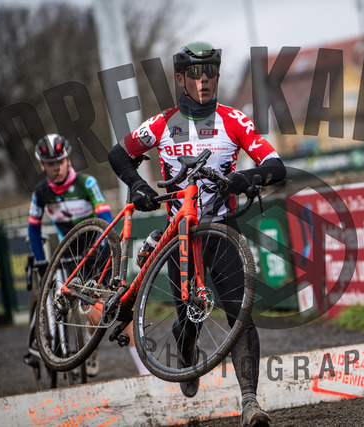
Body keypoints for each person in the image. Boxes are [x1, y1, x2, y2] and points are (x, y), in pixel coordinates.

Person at [108, 41, 286, 427]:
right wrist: (138, 186)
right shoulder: (162, 123)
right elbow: (118, 154)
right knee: (190, 319)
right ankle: (186, 350)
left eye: (210, 74)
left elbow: (276, 165)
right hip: (180, 237)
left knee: (240, 315)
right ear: (181, 79)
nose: (203, 81)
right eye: (194, 74)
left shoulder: (233, 120)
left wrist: (244, 177)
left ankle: (250, 402)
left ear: (217, 76)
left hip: (223, 231)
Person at [28, 133, 150, 377]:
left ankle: (145, 373)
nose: (56, 168)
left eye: (60, 162)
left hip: (99, 249)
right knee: (96, 314)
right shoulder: (41, 194)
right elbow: (33, 229)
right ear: (42, 165)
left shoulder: (86, 183)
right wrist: (41, 261)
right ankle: (90, 342)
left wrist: (108, 244)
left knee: (123, 310)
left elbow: (105, 216)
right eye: (50, 164)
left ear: (68, 159)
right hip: (71, 257)